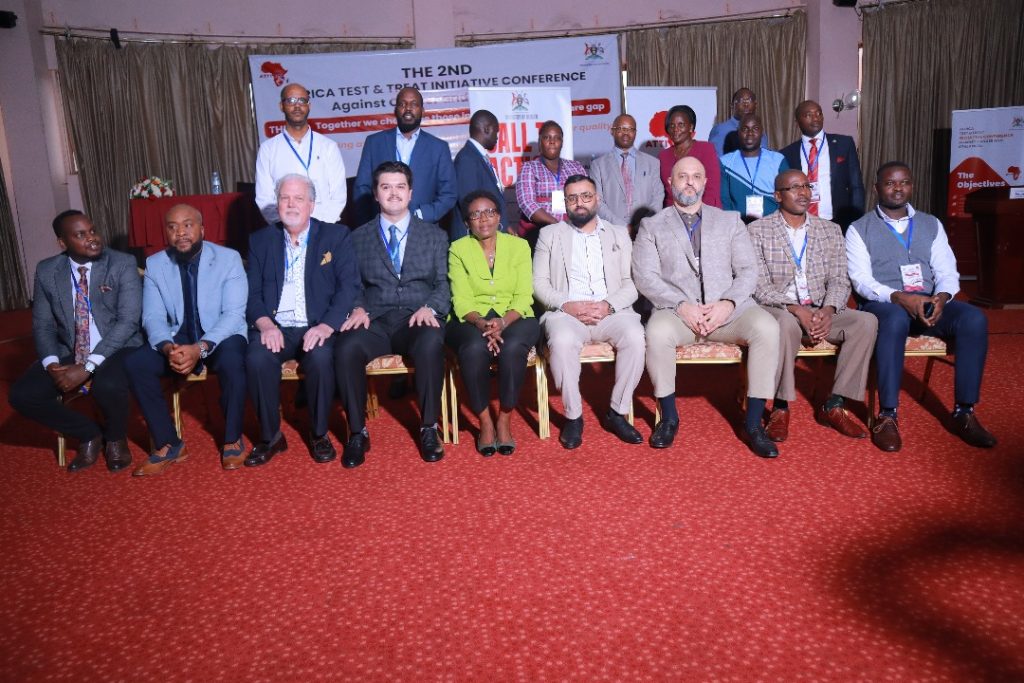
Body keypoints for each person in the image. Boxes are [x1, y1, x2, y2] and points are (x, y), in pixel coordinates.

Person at [633, 157, 780, 458]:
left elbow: (748, 271)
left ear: (705, 182)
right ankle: (669, 417)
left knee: (767, 327)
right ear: (670, 183)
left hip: (726, 312)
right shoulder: (651, 225)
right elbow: (644, 276)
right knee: (657, 331)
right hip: (679, 313)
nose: (689, 182)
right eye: (682, 176)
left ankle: (753, 423)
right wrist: (680, 305)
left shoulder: (730, 221)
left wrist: (728, 303)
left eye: (696, 176)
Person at [847, 162, 996, 452]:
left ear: (912, 186)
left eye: (904, 182)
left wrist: (941, 298)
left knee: (973, 319)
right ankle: (887, 416)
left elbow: (947, 272)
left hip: (930, 304)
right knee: (894, 320)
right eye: (890, 183)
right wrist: (901, 298)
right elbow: (862, 281)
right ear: (877, 188)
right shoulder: (859, 229)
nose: (898, 188)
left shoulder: (931, 224)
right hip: (885, 305)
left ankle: (964, 413)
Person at [335, 161, 451, 467]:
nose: (393, 193)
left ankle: (429, 427)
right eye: (386, 187)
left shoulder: (434, 235)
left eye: (400, 187)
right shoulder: (357, 237)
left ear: (411, 193)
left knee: (430, 342)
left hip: (417, 316)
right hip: (374, 319)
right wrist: (358, 307)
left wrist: (431, 308)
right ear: (375, 194)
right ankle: (357, 432)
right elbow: (351, 284)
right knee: (346, 346)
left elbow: (444, 284)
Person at [747, 170, 876, 443]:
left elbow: (840, 279)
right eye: (794, 188)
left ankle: (834, 404)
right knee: (782, 325)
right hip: (782, 308)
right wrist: (796, 309)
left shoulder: (830, 230)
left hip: (821, 307)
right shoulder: (757, 230)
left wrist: (829, 310)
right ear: (777, 195)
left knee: (866, 322)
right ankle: (780, 408)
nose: (803, 192)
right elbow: (758, 285)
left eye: (806, 186)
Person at [9, 210, 141, 472]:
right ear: (62, 243)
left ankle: (115, 439)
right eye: (81, 235)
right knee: (22, 395)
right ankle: (89, 433)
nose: (92, 239)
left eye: (92, 231)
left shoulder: (121, 263)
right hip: (71, 347)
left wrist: (88, 367)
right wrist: (51, 364)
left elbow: (128, 322)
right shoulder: (47, 270)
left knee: (108, 384)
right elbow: (43, 324)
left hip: (118, 346)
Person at [125, 204, 249, 474]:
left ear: (202, 229)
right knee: (136, 363)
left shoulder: (228, 259)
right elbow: (153, 317)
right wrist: (169, 347)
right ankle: (169, 443)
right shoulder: (156, 264)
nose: (180, 232)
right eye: (172, 227)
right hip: (177, 337)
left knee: (232, 361)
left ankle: (232, 439)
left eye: (187, 225)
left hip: (220, 334)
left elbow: (234, 314)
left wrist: (201, 347)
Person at [245, 174, 359, 467]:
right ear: (277, 204)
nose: (291, 204)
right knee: (257, 358)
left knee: (321, 359)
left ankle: (319, 433)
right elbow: (252, 293)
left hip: (317, 324)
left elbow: (349, 288)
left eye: (298, 198)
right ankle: (270, 437)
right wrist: (265, 325)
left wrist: (325, 326)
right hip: (276, 326)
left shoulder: (336, 236)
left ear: (311, 204)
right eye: (285, 198)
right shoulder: (261, 241)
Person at [533, 175, 646, 450]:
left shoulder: (619, 233)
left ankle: (617, 412)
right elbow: (538, 284)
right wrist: (566, 304)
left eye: (585, 196)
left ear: (597, 199)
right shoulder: (550, 235)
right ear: (565, 203)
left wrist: (608, 305)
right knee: (560, 342)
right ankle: (573, 416)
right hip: (567, 312)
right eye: (572, 198)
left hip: (611, 310)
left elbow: (632, 283)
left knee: (635, 337)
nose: (579, 203)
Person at [447, 190, 539, 455]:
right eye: (475, 215)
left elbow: (524, 295)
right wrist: (481, 324)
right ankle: (485, 421)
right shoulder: (458, 249)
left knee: (512, 348)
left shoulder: (518, 246)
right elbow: (461, 299)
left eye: (489, 212)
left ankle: (504, 418)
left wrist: (502, 322)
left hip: (515, 315)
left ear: (499, 216)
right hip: (471, 318)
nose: (483, 219)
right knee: (473, 349)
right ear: (467, 223)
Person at [353, 86, 457, 226]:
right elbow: (362, 188)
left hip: (423, 229)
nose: (408, 108)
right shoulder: (374, 142)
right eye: (402, 104)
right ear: (395, 110)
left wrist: (422, 214)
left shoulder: (438, 148)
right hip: (381, 227)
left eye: (414, 104)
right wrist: (371, 221)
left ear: (423, 111)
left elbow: (449, 193)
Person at [255, 82, 348, 225]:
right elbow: (264, 199)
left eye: (302, 101)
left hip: (324, 227)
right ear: (281, 106)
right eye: (291, 100)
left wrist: (321, 226)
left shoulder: (328, 146)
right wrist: (285, 225)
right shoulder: (268, 149)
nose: (297, 106)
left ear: (308, 106)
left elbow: (339, 195)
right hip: (284, 230)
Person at [780, 100, 865, 231]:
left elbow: (856, 186)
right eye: (808, 115)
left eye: (819, 113)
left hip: (839, 221)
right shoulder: (787, 153)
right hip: (801, 222)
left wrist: (858, 220)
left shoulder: (844, 144)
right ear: (797, 122)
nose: (815, 118)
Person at [515, 120, 588, 245]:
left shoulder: (576, 167)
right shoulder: (530, 168)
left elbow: (587, 197)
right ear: (540, 143)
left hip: (574, 233)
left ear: (562, 142)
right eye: (547, 137)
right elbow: (527, 203)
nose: (552, 141)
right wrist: (558, 225)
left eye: (556, 138)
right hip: (539, 234)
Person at [590, 114, 665, 234]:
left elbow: (658, 196)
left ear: (635, 132)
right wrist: (623, 227)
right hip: (612, 232)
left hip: (646, 231)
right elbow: (597, 201)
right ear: (612, 131)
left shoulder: (653, 163)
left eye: (630, 129)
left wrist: (645, 223)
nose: (626, 133)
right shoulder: (598, 165)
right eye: (621, 129)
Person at [720, 114, 789, 223]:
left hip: (773, 226)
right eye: (745, 129)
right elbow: (724, 199)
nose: (750, 133)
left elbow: (787, 197)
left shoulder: (778, 160)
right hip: (738, 227)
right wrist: (733, 225)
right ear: (738, 132)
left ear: (762, 132)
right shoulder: (725, 162)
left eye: (755, 128)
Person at [449, 109, 507, 241]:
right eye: (496, 132)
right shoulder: (467, 159)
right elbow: (471, 205)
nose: (497, 137)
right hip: (475, 240)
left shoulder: (477, 156)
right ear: (487, 129)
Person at [658, 105, 721, 209]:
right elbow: (665, 193)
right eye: (672, 125)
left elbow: (712, 189)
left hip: (705, 214)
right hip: (672, 216)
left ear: (691, 127)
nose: (675, 129)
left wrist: (696, 216)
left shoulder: (706, 149)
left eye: (680, 125)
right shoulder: (663, 156)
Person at [709, 88, 770, 157]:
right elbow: (718, 160)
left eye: (749, 100)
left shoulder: (760, 132)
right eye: (741, 101)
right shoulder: (721, 130)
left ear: (755, 105)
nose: (746, 104)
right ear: (732, 105)